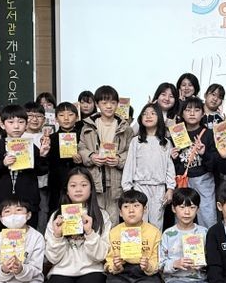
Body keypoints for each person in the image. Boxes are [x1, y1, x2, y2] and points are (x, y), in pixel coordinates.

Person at [0, 104, 50, 231]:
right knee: (5, 236)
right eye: (11, 122)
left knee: (29, 234)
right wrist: (2, 164)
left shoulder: (30, 146)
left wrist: (42, 156)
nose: (16, 126)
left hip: (28, 200)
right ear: (2, 125)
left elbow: (41, 171)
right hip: (3, 201)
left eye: (21, 122)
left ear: (26, 125)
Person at [79, 85, 134, 226]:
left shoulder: (125, 128)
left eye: (113, 103)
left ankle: (112, 241)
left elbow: (131, 151)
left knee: (114, 218)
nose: (109, 106)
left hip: (116, 180)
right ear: (97, 104)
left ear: (117, 104)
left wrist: (119, 160)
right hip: (95, 179)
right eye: (104, 103)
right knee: (95, 217)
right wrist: (91, 157)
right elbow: (81, 147)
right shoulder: (88, 126)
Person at [121, 103, 175, 229]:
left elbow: (170, 168)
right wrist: (128, 189)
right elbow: (129, 165)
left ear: (159, 117)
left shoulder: (166, 143)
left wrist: (170, 189)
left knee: (157, 224)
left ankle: (156, 243)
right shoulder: (136, 141)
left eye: (152, 113)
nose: (148, 116)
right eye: (144, 114)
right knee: (138, 222)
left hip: (159, 188)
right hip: (139, 187)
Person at [171, 97, 218, 228]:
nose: (192, 113)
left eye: (197, 110)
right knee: (181, 214)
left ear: (203, 114)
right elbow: (174, 166)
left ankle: (209, 239)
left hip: (203, 179)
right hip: (183, 180)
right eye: (188, 110)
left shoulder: (209, 134)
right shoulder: (177, 133)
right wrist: (174, 157)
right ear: (182, 114)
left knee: (207, 215)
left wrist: (204, 153)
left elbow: (215, 164)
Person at [47, 101, 82, 215]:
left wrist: (80, 161)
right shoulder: (50, 139)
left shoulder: (83, 137)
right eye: (61, 115)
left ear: (77, 117)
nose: (66, 118)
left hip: (78, 182)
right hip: (56, 184)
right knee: (57, 213)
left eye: (70, 115)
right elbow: (46, 163)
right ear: (56, 119)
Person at [23, 101, 50, 233]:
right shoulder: (17, 138)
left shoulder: (48, 138)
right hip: (23, 185)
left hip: (42, 186)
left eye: (39, 116)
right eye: (30, 115)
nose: (34, 119)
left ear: (44, 120)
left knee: (42, 216)